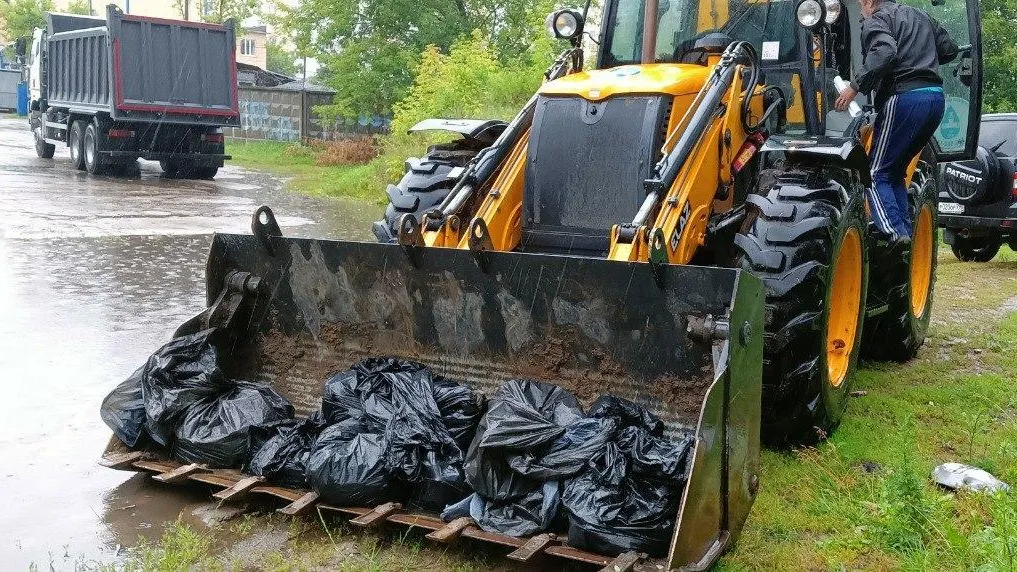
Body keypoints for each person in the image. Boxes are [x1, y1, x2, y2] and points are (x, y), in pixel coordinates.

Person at [835, 0, 958, 244]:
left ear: (870, 1)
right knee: (894, 172)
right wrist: (922, 59)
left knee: (873, 171)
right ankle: (904, 233)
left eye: (861, 5)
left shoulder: (877, 19)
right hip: (935, 99)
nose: (861, 12)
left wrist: (854, 87)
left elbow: (885, 52)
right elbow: (949, 49)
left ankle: (894, 232)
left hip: (904, 98)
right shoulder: (920, 16)